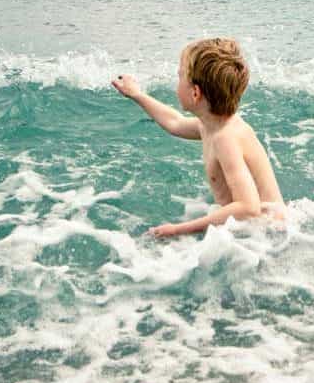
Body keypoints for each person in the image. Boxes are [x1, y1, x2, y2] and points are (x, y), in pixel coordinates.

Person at [111, 38, 284, 237]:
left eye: (180, 76)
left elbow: (248, 208)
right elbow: (174, 123)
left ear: (195, 93)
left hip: (268, 234)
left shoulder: (224, 138)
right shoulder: (213, 125)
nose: (176, 82)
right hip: (259, 231)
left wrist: (178, 230)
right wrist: (137, 94)